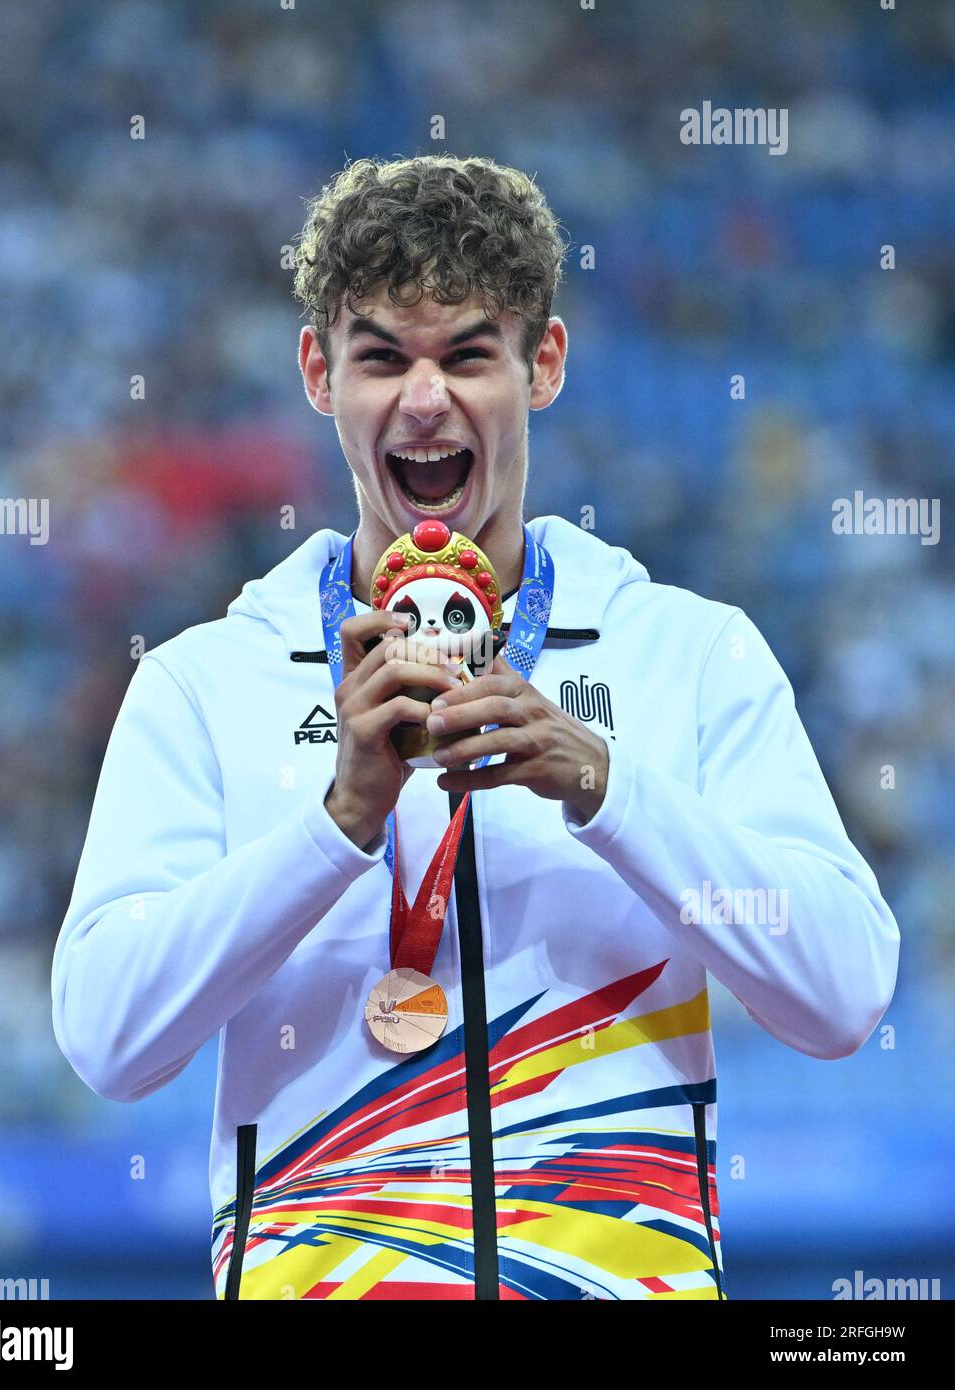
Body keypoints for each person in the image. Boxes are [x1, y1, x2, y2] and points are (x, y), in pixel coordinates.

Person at [51, 154, 900, 1301]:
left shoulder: (691, 654)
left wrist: (609, 789)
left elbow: (842, 995)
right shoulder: (206, 683)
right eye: (381, 357)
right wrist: (337, 822)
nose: (423, 398)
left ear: (541, 364)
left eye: (466, 354)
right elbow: (109, 1038)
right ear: (318, 373)